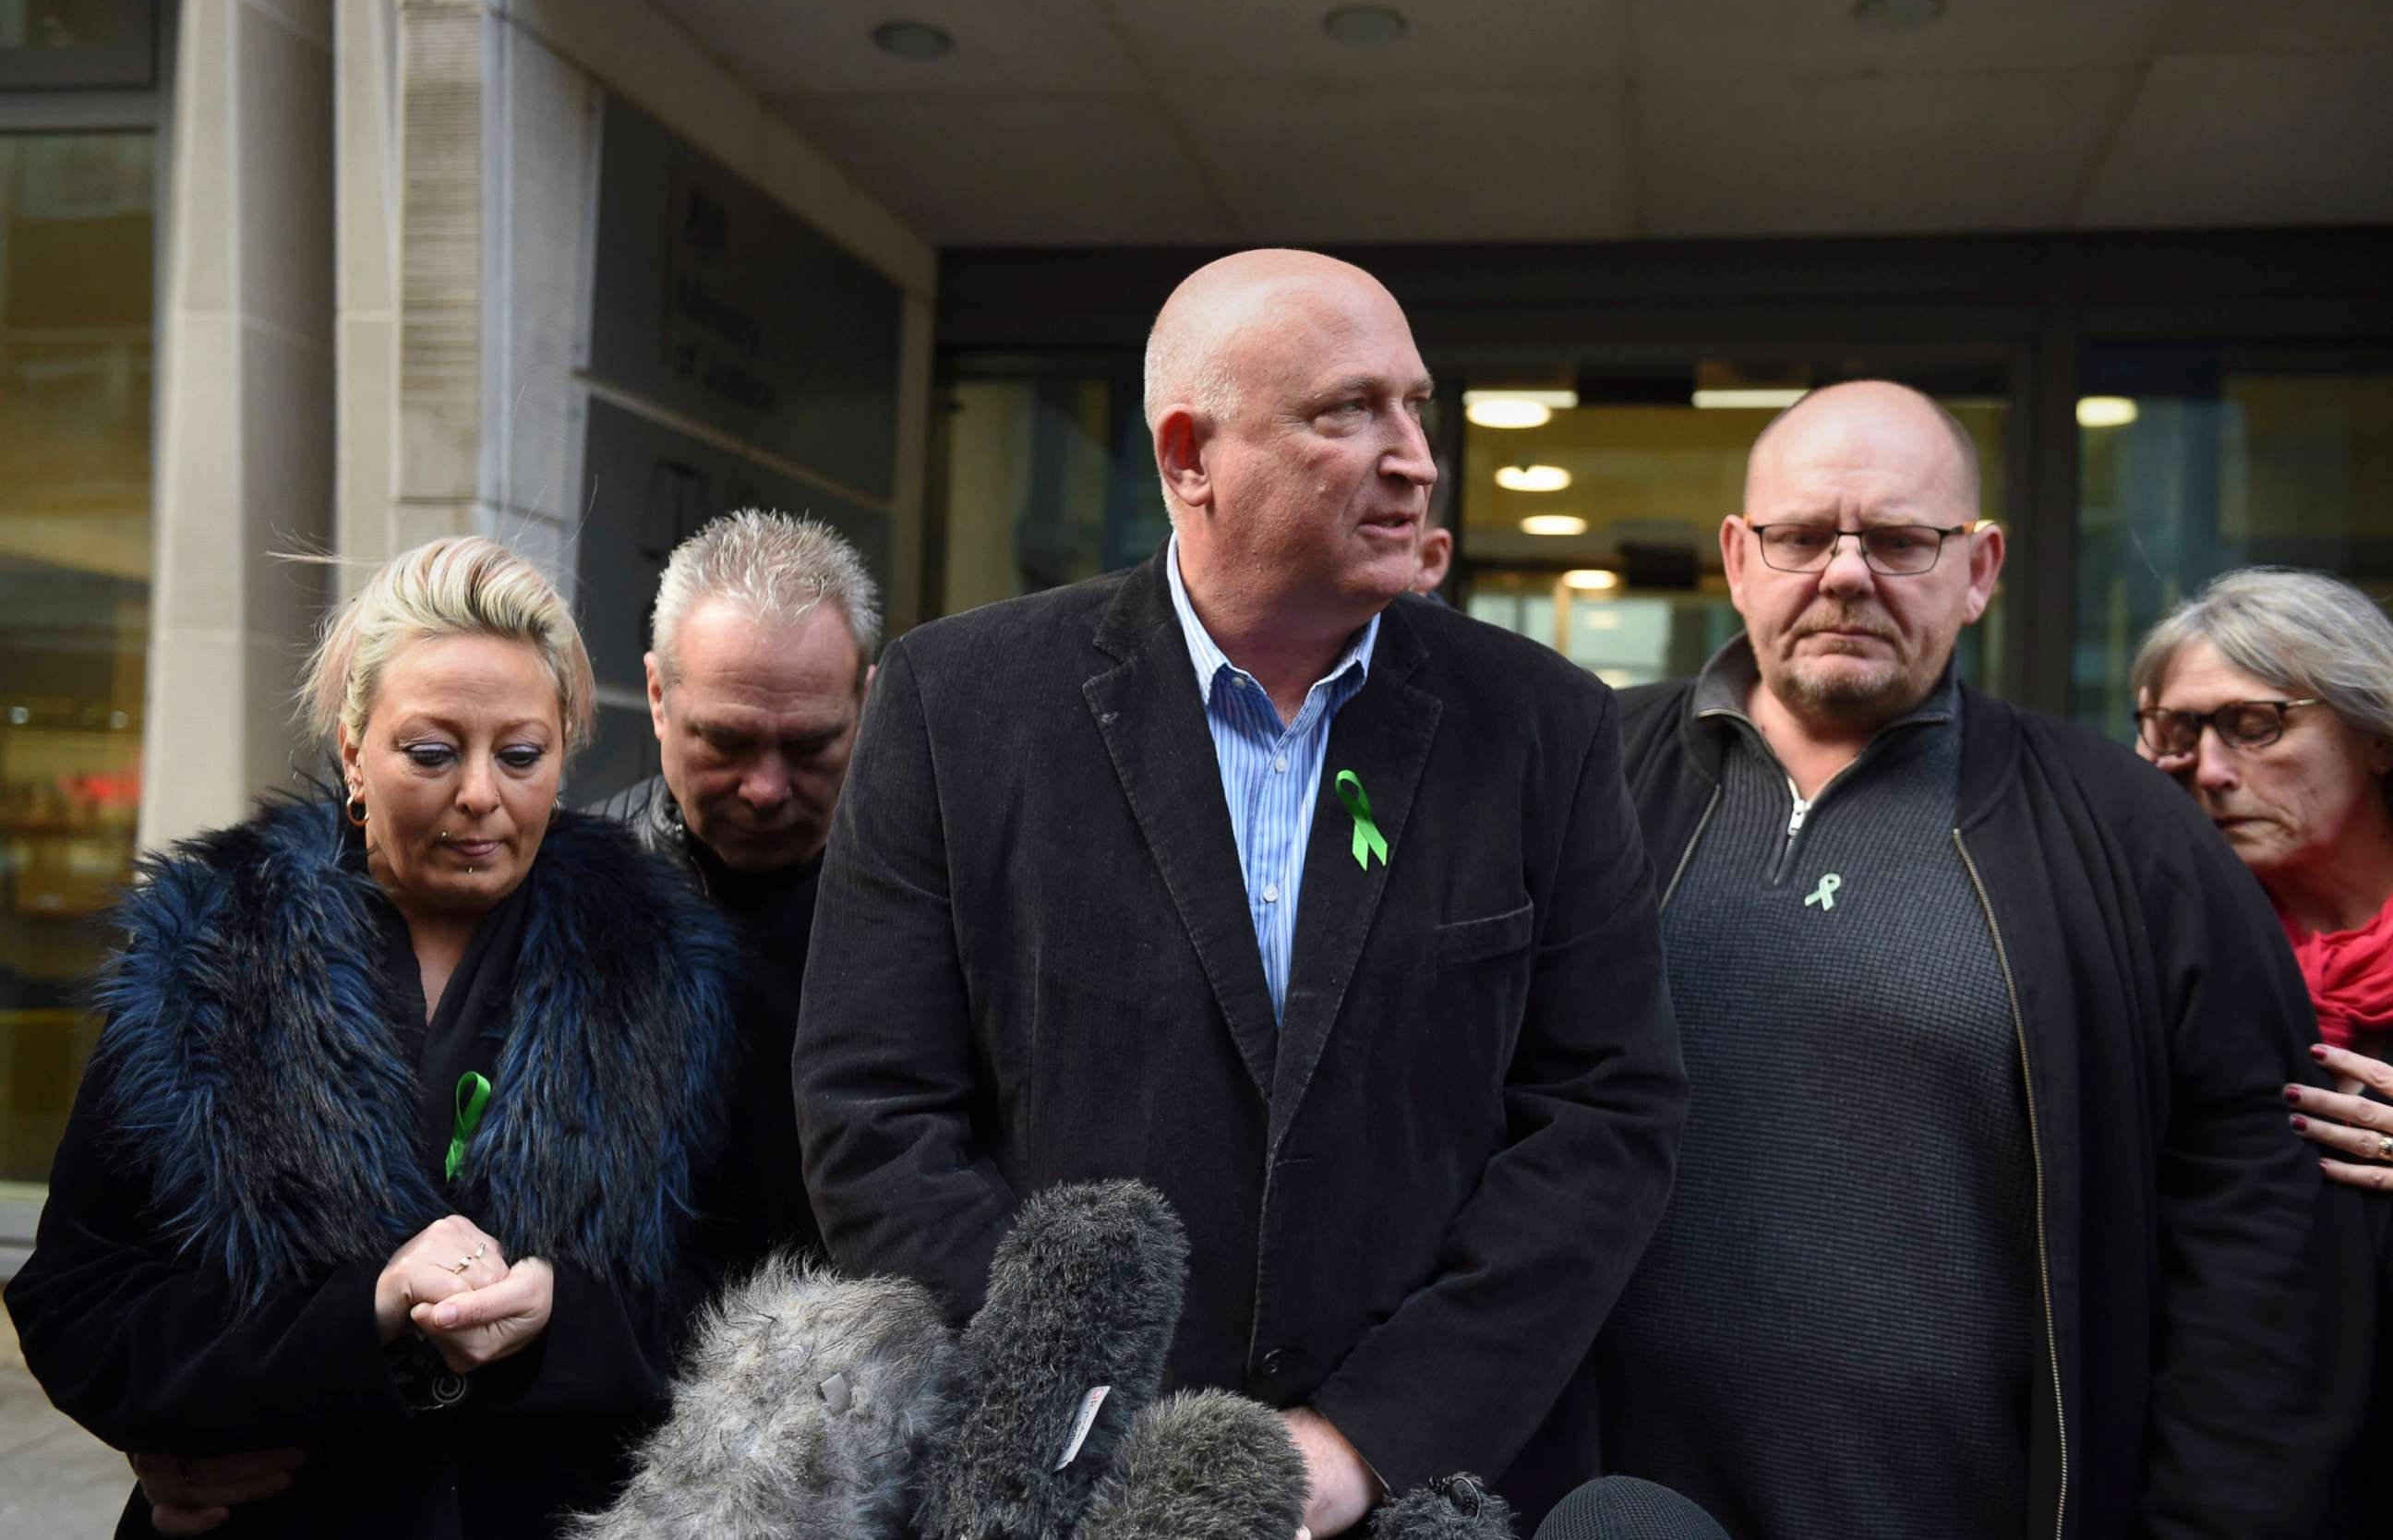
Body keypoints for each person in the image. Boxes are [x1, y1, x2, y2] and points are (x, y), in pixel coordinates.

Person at [794, 247, 1686, 1534]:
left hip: (1430, 1489)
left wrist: (1361, 1442)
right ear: (1188, 454)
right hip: (1071, 1494)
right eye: (1347, 411)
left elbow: (1607, 1116)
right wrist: (1104, 1426)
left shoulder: (1541, 725)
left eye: (1415, 407)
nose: (1414, 457)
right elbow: (872, 1108)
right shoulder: (961, 705)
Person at [1604, 380, 2362, 1538]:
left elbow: (2256, 1223)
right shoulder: (1580, 783)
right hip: (1606, 1507)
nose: (1845, 574)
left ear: (1981, 569)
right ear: (1740, 556)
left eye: (1903, 540)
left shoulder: (2126, 834)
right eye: (1803, 536)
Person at [5, 537, 738, 1538]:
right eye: (432, 752)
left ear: (565, 753)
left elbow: (735, 1298)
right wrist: (366, 1312)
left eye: (520, 756)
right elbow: (78, 1298)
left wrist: (566, 1319)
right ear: (353, 750)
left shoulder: (664, 967)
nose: (480, 793)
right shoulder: (211, 953)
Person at [2131, 566, 2393, 1518]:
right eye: (2176, 734)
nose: (2210, 772)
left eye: (2256, 726)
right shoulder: (2156, 956)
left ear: (2375, 732)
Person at [592, 508, 879, 1260]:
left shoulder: (944, 914)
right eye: (726, 739)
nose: (764, 787)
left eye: (810, 744)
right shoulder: (564, 895)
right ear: (658, 698)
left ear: (868, 706)